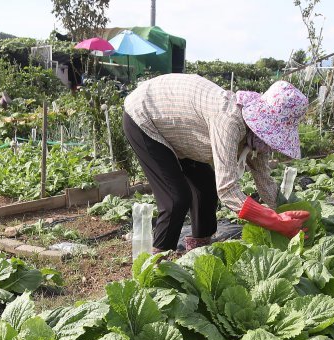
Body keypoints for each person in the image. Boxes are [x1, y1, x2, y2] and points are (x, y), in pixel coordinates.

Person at [123, 74, 310, 252]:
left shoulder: (256, 136)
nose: (272, 144)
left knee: (206, 188)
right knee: (176, 199)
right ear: (263, 124)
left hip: (181, 128)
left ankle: (199, 250)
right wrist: (275, 222)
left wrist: (288, 212)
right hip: (145, 114)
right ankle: (156, 266)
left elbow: (264, 180)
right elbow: (227, 191)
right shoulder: (230, 121)